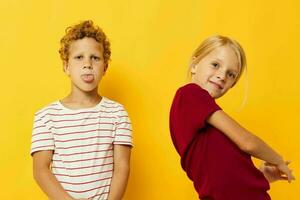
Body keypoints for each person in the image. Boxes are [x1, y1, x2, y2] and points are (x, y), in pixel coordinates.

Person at [169, 35, 295, 200]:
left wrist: (261, 176)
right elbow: (247, 142)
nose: (222, 75)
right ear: (195, 64)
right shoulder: (190, 94)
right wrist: (277, 159)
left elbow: (223, 174)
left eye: (231, 75)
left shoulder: (208, 126)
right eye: (215, 65)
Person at [30, 20, 133, 200]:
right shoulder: (46, 117)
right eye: (79, 57)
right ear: (66, 66)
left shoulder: (117, 114)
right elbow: (41, 170)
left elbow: (122, 167)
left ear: (105, 67)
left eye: (95, 58)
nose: (87, 64)